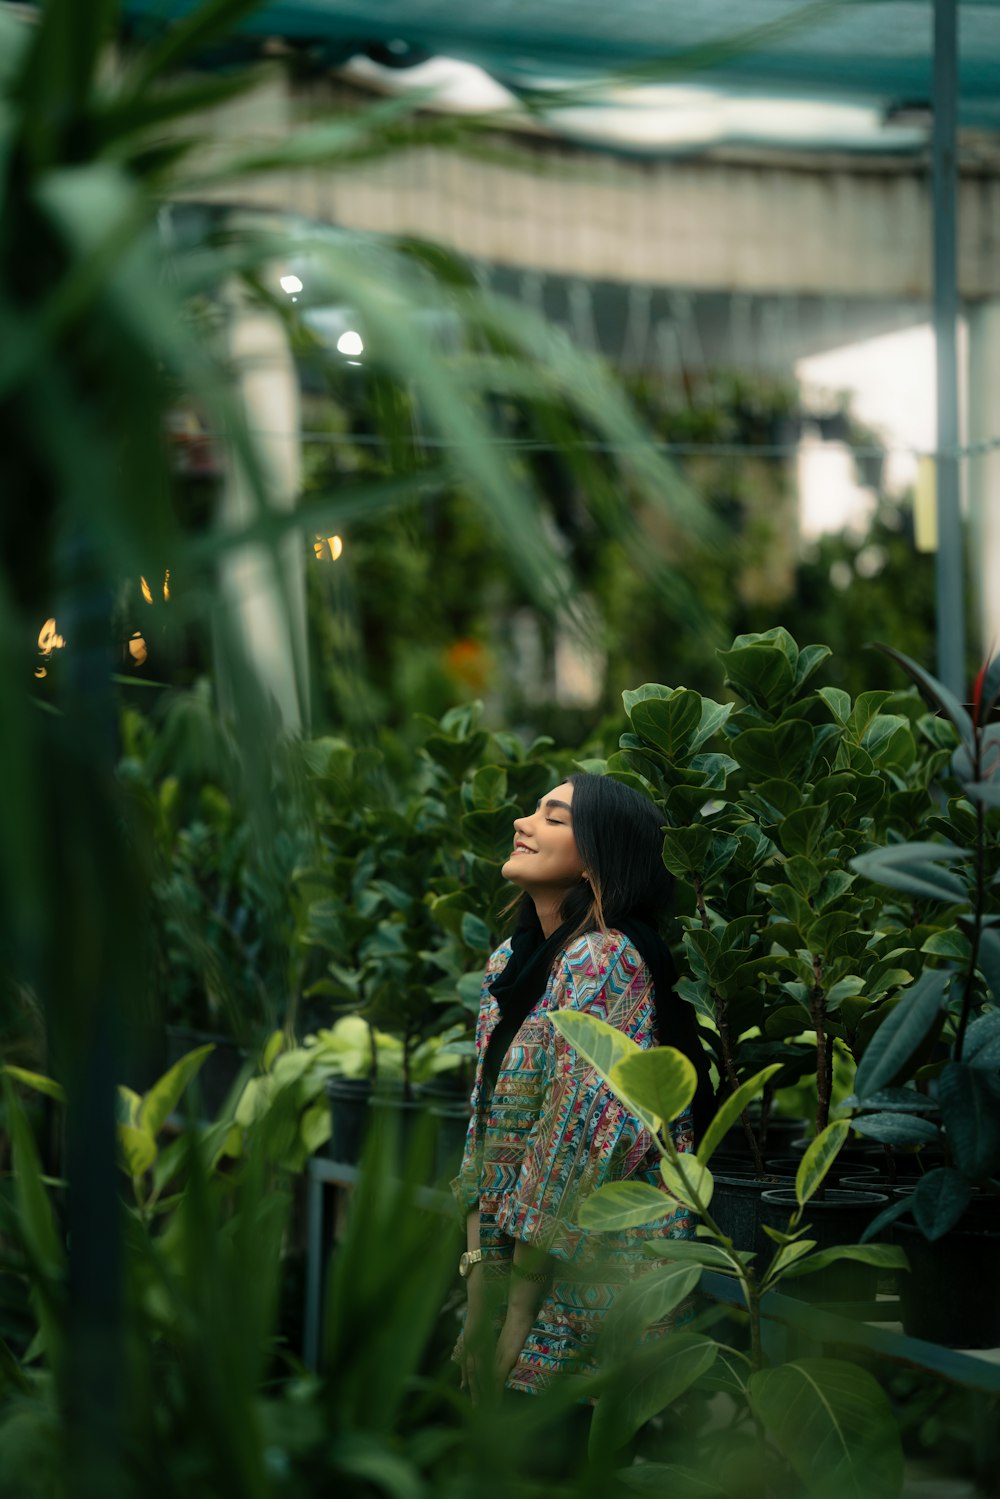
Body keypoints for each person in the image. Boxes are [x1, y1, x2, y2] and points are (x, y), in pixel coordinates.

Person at [451, 771, 713, 1406]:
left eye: (553, 816)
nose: (523, 822)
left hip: (590, 1284)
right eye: (533, 810)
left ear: (600, 855)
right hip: (516, 1272)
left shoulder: (606, 959)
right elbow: (484, 1130)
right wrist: (479, 1290)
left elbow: (578, 1140)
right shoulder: (508, 966)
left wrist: (514, 1315)